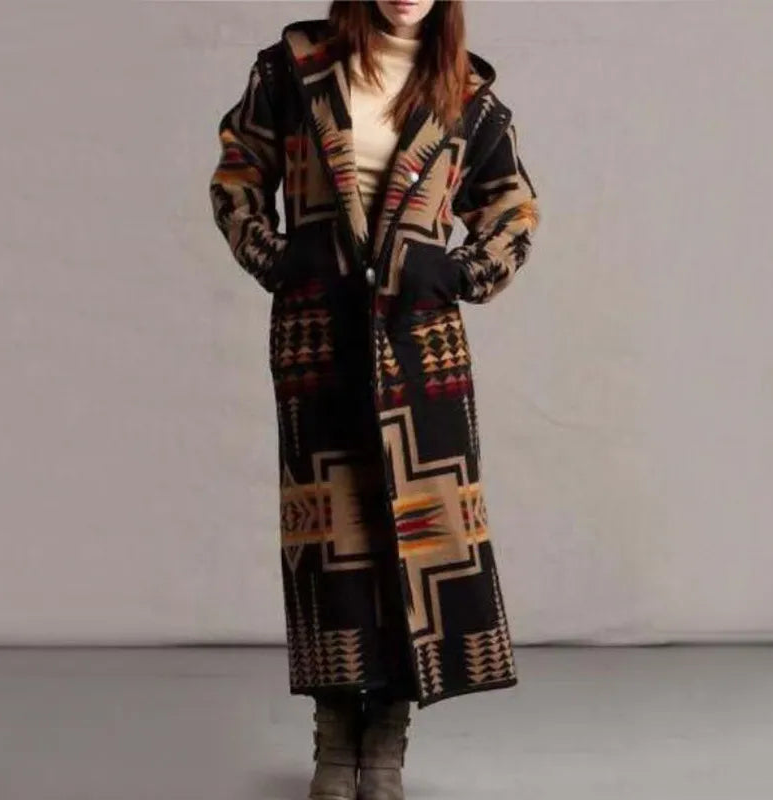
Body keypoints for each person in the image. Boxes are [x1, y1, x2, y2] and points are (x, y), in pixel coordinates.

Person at [209, 2, 540, 797]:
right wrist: (277, 260)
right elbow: (237, 175)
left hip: (421, 345)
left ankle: (386, 742)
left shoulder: (467, 94)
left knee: (413, 541)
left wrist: (457, 273)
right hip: (318, 335)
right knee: (330, 540)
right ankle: (334, 742)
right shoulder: (292, 70)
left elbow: (513, 209)